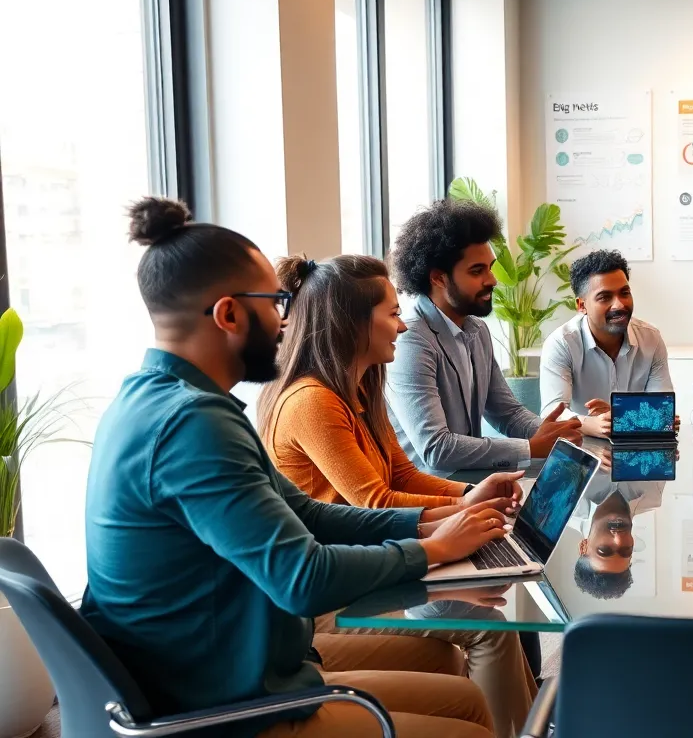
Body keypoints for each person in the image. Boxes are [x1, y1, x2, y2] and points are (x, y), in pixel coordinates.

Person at [82, 197, 512, 738]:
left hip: (225, 670)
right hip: (220, 708)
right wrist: (430, 550)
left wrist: (435, 523)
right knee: (468, 728)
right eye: (275, 302)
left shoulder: (165, 401)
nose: (286, 319)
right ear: (229, 314)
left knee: (463, 695)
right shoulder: (193, 425)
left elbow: (307, 512)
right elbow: (303, 579)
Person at [257, 254, 537, 738]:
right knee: (491, 630)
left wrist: (470, 495)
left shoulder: (359, 388)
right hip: (330, 599)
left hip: (367, 567)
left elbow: (402, 475)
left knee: (459, 646)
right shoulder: (312, 401)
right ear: (351, 324)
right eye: (391, 313)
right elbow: (375, 503)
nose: (403, 326)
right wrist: (460, 515)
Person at [385, 198, 582, 474]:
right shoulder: (411, 340)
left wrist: (555, 433)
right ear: (438, 278)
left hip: (470, 486)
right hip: (428, 499)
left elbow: (507, 412)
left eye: (489, 267)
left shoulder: (477, 330)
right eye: (477, 271)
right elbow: (436, 449)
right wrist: (530, 448)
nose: (492, 280)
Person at [539, 249, 673, 438]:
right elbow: (552, 412)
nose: (619, 305)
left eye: (624, 293)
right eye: (605, 297)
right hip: (579, 450)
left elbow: (662, 414)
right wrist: (590, 424)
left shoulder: (651, 339)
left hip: (637, 449)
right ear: (582, 306)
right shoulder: (562, 344)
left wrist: (618, 415)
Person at [568, 478, 666, 598]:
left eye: (604, 550)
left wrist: (587, 459)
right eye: (626, 550)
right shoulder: (652, 496)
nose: (618, 539)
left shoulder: (565, 500)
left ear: (584, 547)